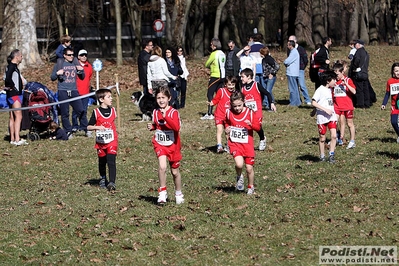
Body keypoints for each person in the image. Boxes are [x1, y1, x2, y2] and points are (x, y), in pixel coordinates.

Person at [147, 86, 184, 205]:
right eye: (158, 98)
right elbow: (158, 125)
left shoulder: (174, 112)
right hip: (160, 144)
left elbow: (176, 127)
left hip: (173, 145)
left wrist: (166, 116)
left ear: (169, 98)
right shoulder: (155, 112)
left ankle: (178, 193)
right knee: (162, 167)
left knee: (175, 172)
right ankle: (162, 192)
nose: (161, 100)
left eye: (163, 97)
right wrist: (152, 127)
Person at [224, 91, 261, 194]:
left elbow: (258, 127)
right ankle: (239, 177)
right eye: (234, 106)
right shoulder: (229, 112)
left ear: (244, 102)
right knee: (239, 164)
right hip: (235, 143)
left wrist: (251, 125)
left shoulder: (249, 112)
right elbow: (226, 121)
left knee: (249, 168)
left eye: (239, 105)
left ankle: (250, 186)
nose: (237, 108)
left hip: (247, 144)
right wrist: (227, 128)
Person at [87, 88, 118, 191]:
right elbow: (88, 127)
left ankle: (112, 182)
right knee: (102, 161)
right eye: (109, 97)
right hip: (101, 142)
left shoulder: (113, 110)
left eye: (111, 96)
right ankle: (103, 178)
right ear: (101, 99)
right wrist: (98, 127)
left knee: (111, 160)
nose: (111, 98)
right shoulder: (96, 112)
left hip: (112, 141)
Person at [50, 47, 85, 139]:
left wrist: (81, 70)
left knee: (80, 110)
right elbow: (52, 77)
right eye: (69, 55)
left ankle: (85, 128)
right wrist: (58, 73)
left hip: (73, 90)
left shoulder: (75, 63)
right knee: (65, 113)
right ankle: (68, 130)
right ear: (64, 55)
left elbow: (82, 77)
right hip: (63, 91)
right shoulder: (59, 64)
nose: (71, 56)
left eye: (72, 55)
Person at [240, 68, 276, 151]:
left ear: (249, 77)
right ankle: (247, 143)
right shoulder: (243, 88)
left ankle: (262, 138)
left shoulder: (256, 85)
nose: (241, 78)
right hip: (248, 112)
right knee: (247, 127)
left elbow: (267, 93)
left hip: (257, 111)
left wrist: (271, 103)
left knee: (257, 127)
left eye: (243, 77)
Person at [311, 70, 338, 163]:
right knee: (322, 138)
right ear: (328, 81)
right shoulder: (320, 90)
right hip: (322, 117)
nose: (335, 81)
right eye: (334, 79)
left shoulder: (331, 90)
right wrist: (323, 110)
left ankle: (331, 155)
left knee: (334, 136)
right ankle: (322, 156)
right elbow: (314, 102)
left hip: (332, 116)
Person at [4, 49, 28, 146]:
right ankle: (17, 139)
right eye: (21, 56)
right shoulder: (12, 67)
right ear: (17, 57)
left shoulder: (11, 67)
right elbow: (8, 78)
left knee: (12, 117)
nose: (22, 58)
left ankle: (13, 139)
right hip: (14, 95)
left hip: (11, 94)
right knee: (18, 115)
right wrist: (12, 86)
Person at [208, 76, 237, 153]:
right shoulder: (221, 91)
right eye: (229, 85)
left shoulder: (235, 93)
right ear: (225, 84)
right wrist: (212, 103)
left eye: (233, 85)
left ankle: (229, 145)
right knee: (220, 129)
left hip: (229, 116)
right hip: (219, 115)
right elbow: (216, 99)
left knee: (228, 131)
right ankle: (219, 146)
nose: (231, 87)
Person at [332, 62, 356, 149]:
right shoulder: (334, 81)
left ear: (342, 72)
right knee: (334, 122)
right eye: (335, 74)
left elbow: (354, 91)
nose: (336, 76)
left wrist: (346, 85)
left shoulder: (348, 80)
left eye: (337, 74)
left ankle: (352, 141)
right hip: (337, 106)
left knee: (350, 124)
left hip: (347, 106)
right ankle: (337, 137)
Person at [202, 38, 226, 120]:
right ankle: (223, 111)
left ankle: (209, 113)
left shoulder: (214, 53)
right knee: (220, 94)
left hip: (215, 75)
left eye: (211, 44)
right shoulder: (223, 53)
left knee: (210, 94)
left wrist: (210, 66)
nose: (210, 46)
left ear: (214, 46)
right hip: (222, 76)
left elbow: (207, 63)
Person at [72, 49, 93, 137]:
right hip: (76, 92)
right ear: (78, 57)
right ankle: (74, 125)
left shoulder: (89, 66)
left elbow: (89, 77)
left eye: (85, 55)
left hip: (86, 93)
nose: (84, 57)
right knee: (75, 111)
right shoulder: (75, 66)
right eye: (82, 55)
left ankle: (83, 127)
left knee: (84, 110)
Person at [288, 35, 312, 105]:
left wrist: (302, 67)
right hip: (292, 70)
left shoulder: (301, 49)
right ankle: (297, 100)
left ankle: (307, 99)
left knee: (302, 85)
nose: (289, 42)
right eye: (289, 41)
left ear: (295, 41)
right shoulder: (289, 49)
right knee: (294, 86)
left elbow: (305, 59)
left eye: (291, 41)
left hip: (299, 70)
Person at [349, 39, 370, 108]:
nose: (355, 45)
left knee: (359, 89)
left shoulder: (358, 52)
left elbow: (356, 61)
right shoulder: (366, 53)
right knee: (366, 89)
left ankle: (361, 104)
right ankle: (367, 103)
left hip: (358, 73)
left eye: (356, 44)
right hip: (365, 73)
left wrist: (354, 68)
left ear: (358, 44)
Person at [381, 62, 399, 143]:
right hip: (394, 106)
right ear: (393, 72)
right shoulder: (390, 81)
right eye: (396, 71)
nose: (398, 72)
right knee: (394, 122)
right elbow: (387, 94)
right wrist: (384, 104)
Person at [284, 40, 301, 106]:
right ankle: (297, 102)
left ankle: (293, 102)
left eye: (288, 45)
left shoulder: (293, 52)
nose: (287, 46)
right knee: (295, 87)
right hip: (294, 72)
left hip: (292, 73)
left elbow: (287, 61)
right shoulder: (294, 52)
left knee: (292, 88)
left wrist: (285, 62)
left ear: (291, 45)